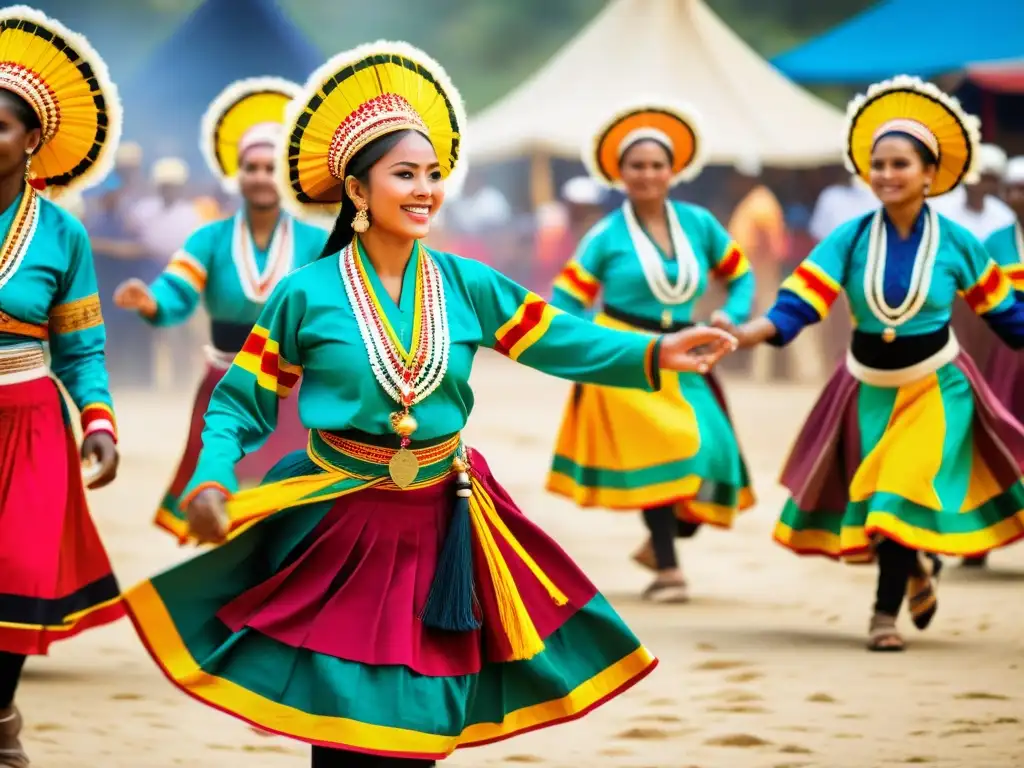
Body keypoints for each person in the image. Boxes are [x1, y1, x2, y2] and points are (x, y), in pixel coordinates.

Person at [121, 42, 738, 767]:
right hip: (337, 521)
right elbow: (238, 404)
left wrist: (655, 353)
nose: (425, 189)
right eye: (404, 174)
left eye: (433, 174)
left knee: (422, 716)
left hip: (444, 517)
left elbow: (557, 337)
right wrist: (213, 476)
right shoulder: (305, 294)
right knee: (343, 712)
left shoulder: (468, 284)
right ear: (357, 190)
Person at [725, 76, 1024, 652]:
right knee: (885, 502)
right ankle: (915, 565)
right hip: (865, 391)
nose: (885, 174)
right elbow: (796, 306)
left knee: (894, 493)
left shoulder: (961, 243)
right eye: (877, 164)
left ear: (931, 174)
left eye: (900, 164)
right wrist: (743, 334)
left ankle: (882, 617)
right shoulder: (850, 236)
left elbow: (1009, 319)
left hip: (938, 390)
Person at [545, 101, 755, 603]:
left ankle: (665, 542)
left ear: (674, 170)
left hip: (687, 351)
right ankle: (669, 567)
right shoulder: (604, 236)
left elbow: (740, 274)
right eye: (636, 166)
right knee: (666, 446)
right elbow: (565, 298)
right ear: (619, 174)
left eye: (656, 165)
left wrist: (730, 314)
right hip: (626, 357)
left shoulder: (700, 224)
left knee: (714, 452)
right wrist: (589, 343)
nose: (647, 174)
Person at [114, 77, 327, 542]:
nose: (260, 176)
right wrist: (153, 301)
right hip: (226, 385)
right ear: (237, 174)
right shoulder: (208, 239)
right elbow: (177, 290)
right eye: (251, 166)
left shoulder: (316, 243)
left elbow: (339, 310)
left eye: (272, 167)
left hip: (293, 388)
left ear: (287, 175)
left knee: (289, 512)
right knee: (222, 507)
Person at [0, 7, 125, 765]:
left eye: (0, 126)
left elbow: (82, 349)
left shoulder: (63, 235)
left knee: (13, 572)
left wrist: (99, 423)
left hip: (32, 423)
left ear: (31, 141)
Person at [961, 155, 1024, 568]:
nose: (1016, 197)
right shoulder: (994, 243)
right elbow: (976, 313)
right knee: (995, 440)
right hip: (1006, 356)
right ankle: (978, 538)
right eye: (1012, 190)